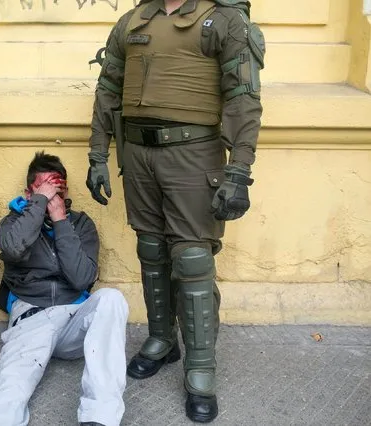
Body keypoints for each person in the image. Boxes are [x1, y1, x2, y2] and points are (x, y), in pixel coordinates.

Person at [85, 0, 265, 422]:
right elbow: (108, 90)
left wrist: (239, 171)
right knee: (151, 249)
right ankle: (161, 339)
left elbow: (244, 99)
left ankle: (201, 370)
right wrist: (97, 154)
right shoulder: (132, 21)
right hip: (139, 154)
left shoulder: (223, 20)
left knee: (193, 257)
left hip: (193, 154)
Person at [0, 152, 129, 426]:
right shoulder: (12, 223)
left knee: (112, 299)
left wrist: (61, 222)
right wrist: (37, 205)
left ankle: (100, 417)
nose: (52, 199)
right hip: (32, 319)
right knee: (9, 392)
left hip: (74, 318)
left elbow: (82, 279)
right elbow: (14, 247)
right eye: (44, 191)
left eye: (57, 191)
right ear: (29, 192)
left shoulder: (81, 224)